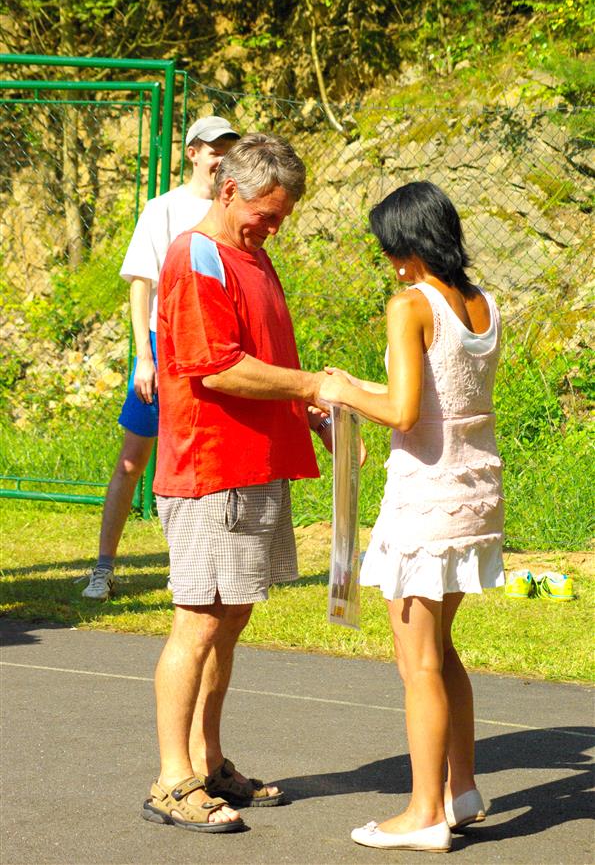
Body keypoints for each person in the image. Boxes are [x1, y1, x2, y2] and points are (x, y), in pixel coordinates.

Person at [141, 133, 335, 833]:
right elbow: (217, 367)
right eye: (266, 213)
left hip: (252, 464)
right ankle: (172, 780)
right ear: (229, 190)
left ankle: (208, 760)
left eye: (282, 217)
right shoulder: (197, 256)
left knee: (230, 619)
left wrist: (305, 409)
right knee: (198, 621)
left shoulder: (251, 254)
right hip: (210, 468)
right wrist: (312, 384)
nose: (273, 227)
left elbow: (262, 356)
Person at [319, 181, 505, 853]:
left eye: (390, 250)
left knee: (417, 662)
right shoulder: (482, 303)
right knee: (441, 650)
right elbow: (431, 401)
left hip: (424, 501)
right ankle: (461, 789)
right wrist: (352, 388)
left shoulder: (409, 305)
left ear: (409, 245)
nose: (390, 263)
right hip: (474, 494)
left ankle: (425, 813)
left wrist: (340, 392)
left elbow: (401, 413)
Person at [81, 116, 240, 601]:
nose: (221, 159)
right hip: (161, 346)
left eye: (228, 150)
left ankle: (187, 569)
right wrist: (143, 359)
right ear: (193, 153)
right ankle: (103, 568)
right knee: (133, 460)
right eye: (213, 149)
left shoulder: (232, 211)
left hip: (212, 347)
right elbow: (140, 285)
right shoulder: (162, 209)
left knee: (197, 462)